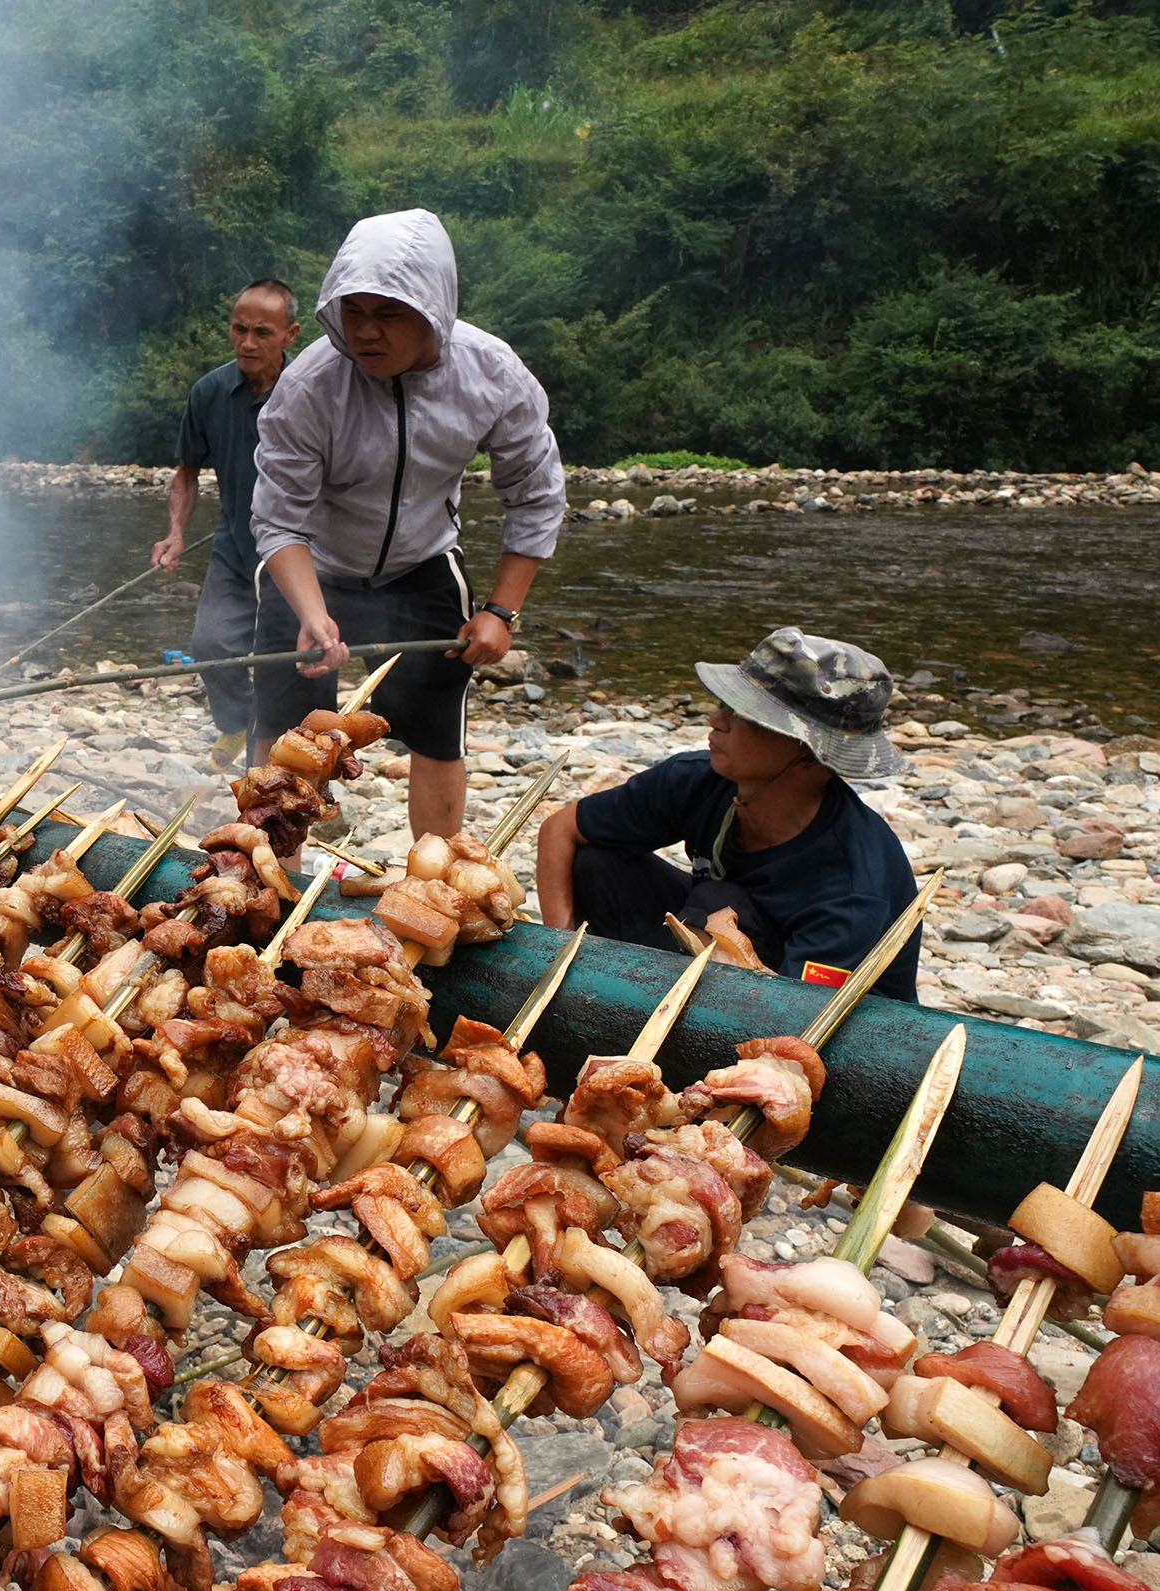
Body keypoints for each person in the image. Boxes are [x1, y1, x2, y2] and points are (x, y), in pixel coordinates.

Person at [250, 210, 565, 844]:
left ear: (434, 308)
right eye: (352, 312)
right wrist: (313, 615)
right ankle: (267, 873)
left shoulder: (492, 375)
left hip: (424, 564)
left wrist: (501, 613)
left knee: (436, 726)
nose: (365, 332)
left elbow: (534, 496)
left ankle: (436, 874)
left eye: (388, 313)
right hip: (313, 568)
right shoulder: (310, 384)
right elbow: (279, 517)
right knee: (283, 731)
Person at [534, 626, 920, 1001]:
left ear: (808, 755)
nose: (717, 721)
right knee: (597, 864)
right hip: (723, 951)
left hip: (817, 1011)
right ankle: (604, 993)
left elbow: (802, 1019)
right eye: (724, 706)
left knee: (718, 904)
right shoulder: (700, 780)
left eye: (745, 715)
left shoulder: (853, 886)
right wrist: (561, 951)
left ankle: (649, 1008)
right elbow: (560, 829)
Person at [153, 280, 298, 773]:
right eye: (239, 329)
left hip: (300, 553)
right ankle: (238, 723)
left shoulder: (311, 392)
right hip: (235, 548)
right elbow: (186, 474)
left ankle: (292, 755)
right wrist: (175, 532)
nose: (248, 342)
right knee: (211, 645)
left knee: (289, 660)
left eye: (262, 332)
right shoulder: (210, 393)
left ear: (290, 335)